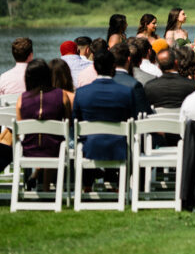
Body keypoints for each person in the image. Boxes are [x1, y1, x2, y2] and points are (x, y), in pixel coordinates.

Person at [73, 50, 137, 189]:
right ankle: (120, 186)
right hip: (118, 147)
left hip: (89, 148)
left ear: (95, 67)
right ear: (113, 66)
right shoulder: (126, 92)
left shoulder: (81, 92)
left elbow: (75, 121)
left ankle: (87, 186)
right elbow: (133, 119)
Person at [15, 59, 73, 190]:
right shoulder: (62, 95)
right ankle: (46, 187)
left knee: (45, 141)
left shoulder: (21, 99)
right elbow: (68, 123)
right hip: (55, 148)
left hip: (29, 150)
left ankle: (39, 181)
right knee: (51, 142)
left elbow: (20, 128)